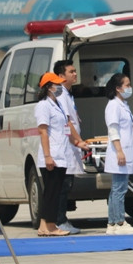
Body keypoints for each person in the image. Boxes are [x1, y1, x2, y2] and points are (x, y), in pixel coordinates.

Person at [104, 73, 133, 235]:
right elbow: (113, 129)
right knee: (119, 189)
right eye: (127, 85)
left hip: (126, 150)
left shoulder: (122, 105)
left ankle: (112, 223)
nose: (129, 88)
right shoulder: (113, 105)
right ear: (118, 88)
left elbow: (127, 121)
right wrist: (120, 151)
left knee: (118, 188)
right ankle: (119, 222)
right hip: (120, 151)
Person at [34, 72, 76, 237]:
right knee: (51, 193)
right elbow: (43, 131)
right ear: (48, 87)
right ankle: (50, 226)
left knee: (53, 193)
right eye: (56, 84)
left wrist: (76, 142)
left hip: (61, 154)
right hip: (51, 155)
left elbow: (65, 128)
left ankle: (44, 226)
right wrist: (47, 156)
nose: (59, 87)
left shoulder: (58, 104)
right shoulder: (43, 105)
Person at [53, 60, 86, 235]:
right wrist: (78, 141)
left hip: (70, 146)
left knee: (67, 185)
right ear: (61, 76)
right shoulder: (60, 94)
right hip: (65, 146)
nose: (75, 74)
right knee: (63, 186)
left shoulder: (67, 93)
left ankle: (61, 220)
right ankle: (60, 220)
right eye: (71, 71)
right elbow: (67, 121)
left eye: (75, 71)